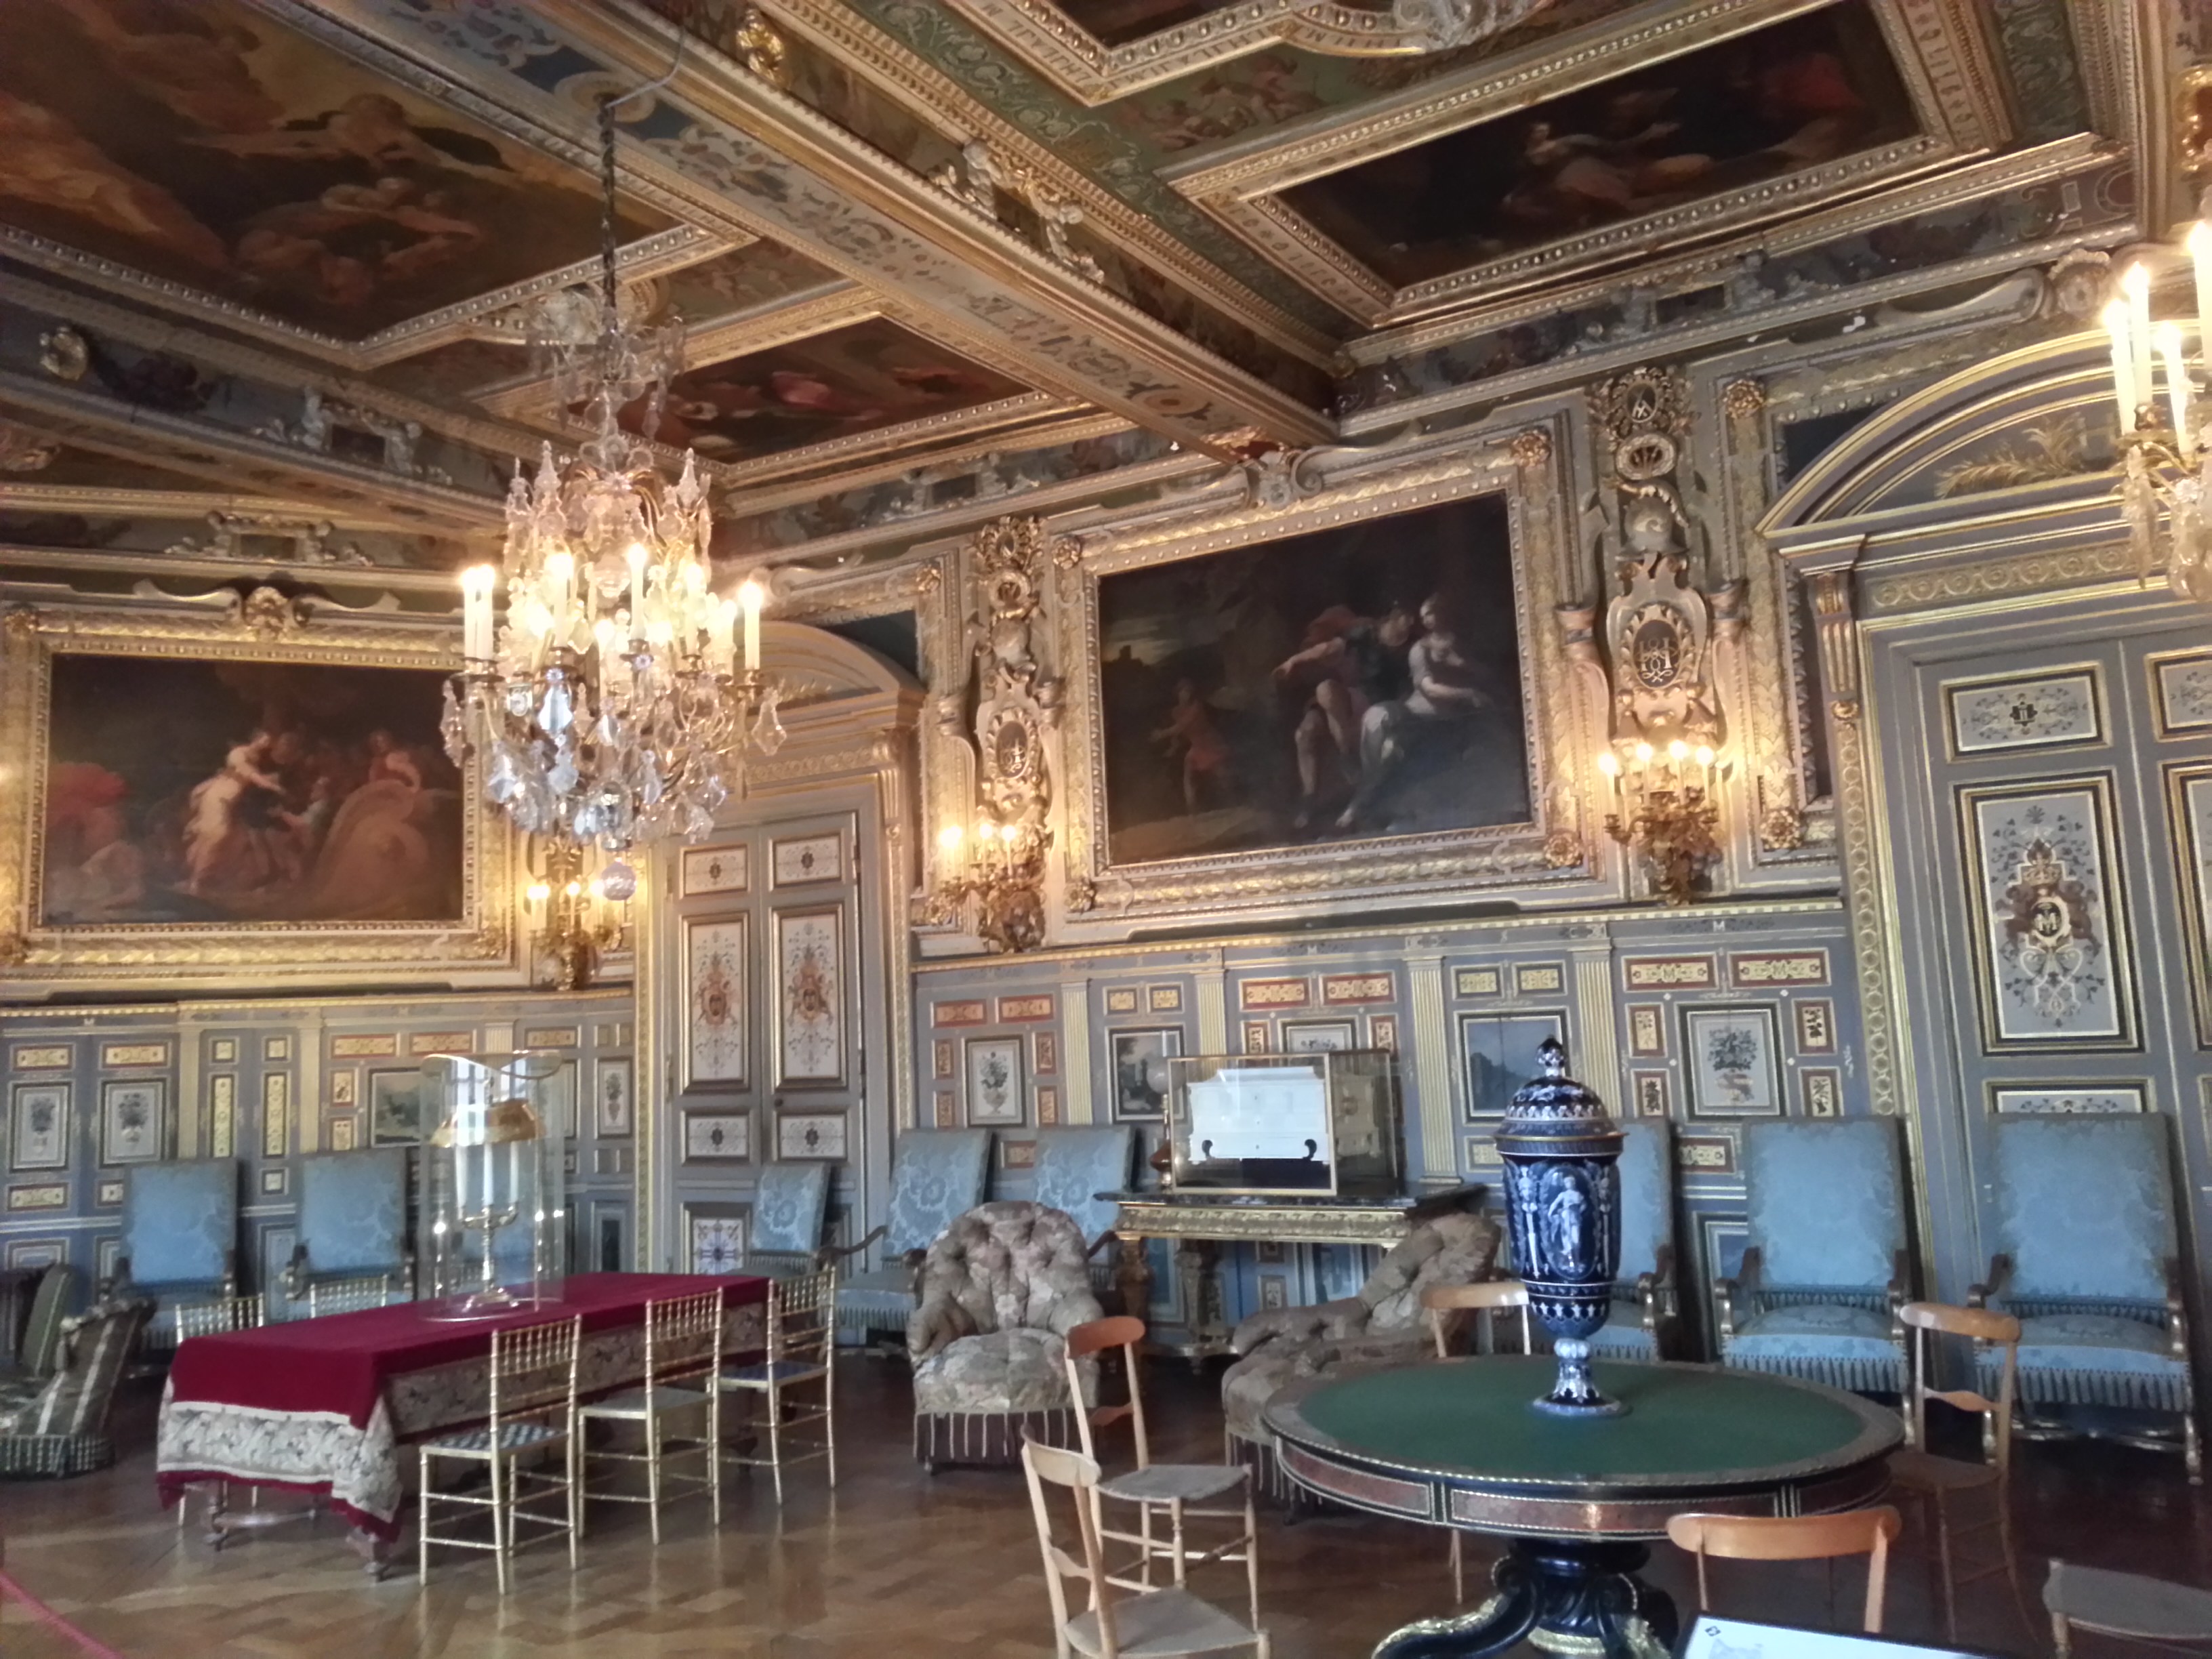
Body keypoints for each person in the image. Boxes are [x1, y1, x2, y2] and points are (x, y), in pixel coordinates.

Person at [1337, 595, 1488, 832]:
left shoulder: (1464, 646)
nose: (1428, 620)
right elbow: (1428, 688)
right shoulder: (1420, 648)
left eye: (1432, 613)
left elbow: (1483, 675)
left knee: (1392, 749)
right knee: (1376, 718)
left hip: (1447, 721)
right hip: (1415, 711)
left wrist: (1462, 666)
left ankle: (1359, 808)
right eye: (1424, 615)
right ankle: (1364, 804)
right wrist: (1467, 693)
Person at [1273, 602, 1416, 830]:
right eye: (1403, 619)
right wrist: (1294, 661)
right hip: (1346, 700)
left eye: (1410, 623)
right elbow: (1328, 649)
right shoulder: (1365, 632)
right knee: (1308, 727)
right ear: (1390, 618)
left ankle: (1354, 775)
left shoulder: (1409, 651)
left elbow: (1407, 691)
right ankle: (1312, 796)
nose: (1407, 625)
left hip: (1374, 706)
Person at [1152, 678, 1229, 817]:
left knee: (1222, 775)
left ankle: (1233, 800)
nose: (1186, 694)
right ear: (1178, 693)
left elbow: (1181, 727)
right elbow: (1180, 733)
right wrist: (1173, 747)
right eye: (1183, 691)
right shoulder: (1176, 711)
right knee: (1188, 776)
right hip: (1197, 746)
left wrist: (1161, 734)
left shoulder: (1196, 707)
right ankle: (1192, 811)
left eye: (1188, 691)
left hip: (1210, 743)